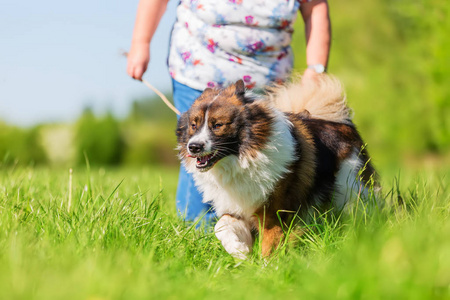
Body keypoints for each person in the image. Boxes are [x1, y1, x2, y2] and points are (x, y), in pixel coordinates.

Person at [127, 0, 331, 222]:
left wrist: (316, 68)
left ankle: (258, 247)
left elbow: (315, 7)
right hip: (197, 76)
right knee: (198, 203)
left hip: (267, 91)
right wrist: (141, 41)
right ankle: (204, 242)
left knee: (268, 195)